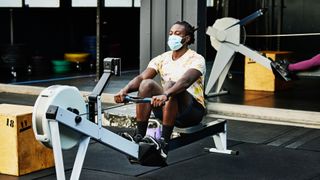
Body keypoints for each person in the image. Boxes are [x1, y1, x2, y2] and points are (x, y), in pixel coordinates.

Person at [114, 21, 206, 162]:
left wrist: (165, 94)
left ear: (187, 39)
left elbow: (185, 82)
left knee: (170, 85)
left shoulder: (196, 59)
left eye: (177, 33)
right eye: (171, 33)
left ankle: (164, 142)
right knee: (146, 84)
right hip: (166, 109)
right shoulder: (162, 58)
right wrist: (124, 90)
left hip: (191, 112)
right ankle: (139, 136)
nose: (172, 36)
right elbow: (141, 77)